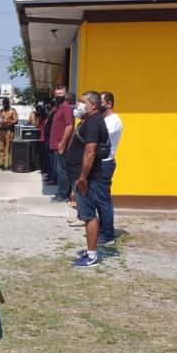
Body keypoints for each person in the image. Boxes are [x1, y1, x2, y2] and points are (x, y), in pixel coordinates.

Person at [66, 91, 110, 268]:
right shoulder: (89, 120)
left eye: (82, 102)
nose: (78, 105)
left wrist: (83, 178)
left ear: (92, 104)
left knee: (89, 215)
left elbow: (90, 152)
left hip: (87, 178)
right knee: (86, 214)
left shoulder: (93, 122)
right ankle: (90, 250)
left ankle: (91, 256)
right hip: (81, 175)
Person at [99, 91, 122, 246]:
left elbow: (99, 137)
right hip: (100, 162)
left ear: (109, 103)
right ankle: (102, 229)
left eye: (100, 102)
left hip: (105, 162)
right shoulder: (104, 119)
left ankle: (108, 235)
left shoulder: (113, 121)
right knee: (98, 198)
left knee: (103, 199)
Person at [48, 85, 74, 202]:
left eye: (60, 94)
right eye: (56, 94)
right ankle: (61, 192)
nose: (57, 96)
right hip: (54, 145)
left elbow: (69, 126)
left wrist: (63, 143)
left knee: (61, 171)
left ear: (66, 95)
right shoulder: (59, 108)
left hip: (61, 146)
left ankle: (63, 195)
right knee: (58, 170)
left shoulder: (66, 108)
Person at [0, 98, 18, 170]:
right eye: (3, 103)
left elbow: (16, 120)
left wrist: (10, 122)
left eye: (5, 103)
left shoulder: (12, 111)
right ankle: (1, 164)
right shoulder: (1, 111)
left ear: (8, 103)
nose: (4, 104)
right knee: (1, 148)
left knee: (9, 148)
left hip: (9, 131)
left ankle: (10, 164)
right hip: (1, 131)